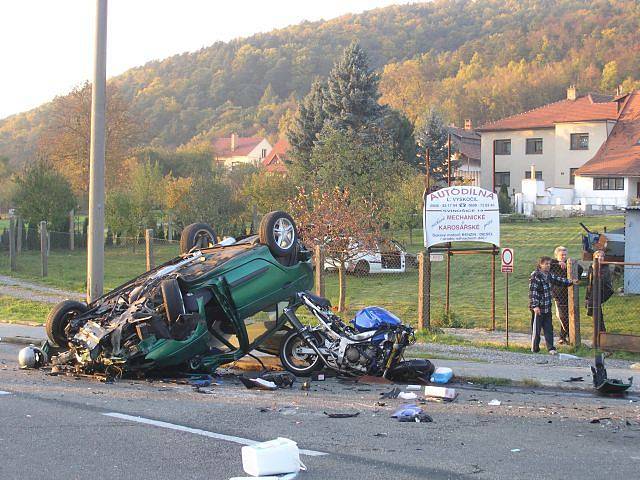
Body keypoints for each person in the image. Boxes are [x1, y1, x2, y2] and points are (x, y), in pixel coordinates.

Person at [529, 256, 577, 354]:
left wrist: (571, 282)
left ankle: (551, 348)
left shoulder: (549, 275)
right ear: (540, 265)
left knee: (548, 329)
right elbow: (533, 291)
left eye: (549, 264)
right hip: (538, 308)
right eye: (546, 264)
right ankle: (534, 348)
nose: (548, 266)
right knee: (536, 330)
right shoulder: (536, 275)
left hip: (547, 307)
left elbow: (559, 280)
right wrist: (535, 306)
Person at [550, 246, 583, 344]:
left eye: (565, 254)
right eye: (561, 255)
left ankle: (563, 337)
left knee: (569, 316)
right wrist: (558, 262)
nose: (564, 256)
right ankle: (570, 335)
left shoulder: (569, 264)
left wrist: (569, 265)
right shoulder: (553, 264)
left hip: (570, 294)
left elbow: (580, 269)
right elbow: (541, 263)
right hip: (558, 295)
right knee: (562, 316)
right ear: (557, 255)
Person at [585, 250, 613, 333]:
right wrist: (587, 297)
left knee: (593, 306)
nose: (600, 258)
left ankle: (591, 311)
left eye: (602, 256)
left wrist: (595, 270)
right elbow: (589, 283)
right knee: (597, 310)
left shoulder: (605, 268)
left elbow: (600, 281)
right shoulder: (591, 267)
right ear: (594, 258)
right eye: (598, 256)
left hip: (604, 290)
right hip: (594, 291)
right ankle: (601, 330)